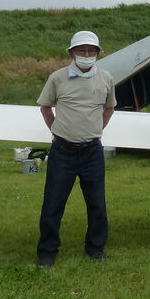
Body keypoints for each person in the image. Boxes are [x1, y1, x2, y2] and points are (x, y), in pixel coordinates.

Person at [36, 30, 116, 267]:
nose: (87, 55)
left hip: (92, 151)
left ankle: (95, 248)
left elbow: (109, 108)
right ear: (72, 53)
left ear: (98, 53)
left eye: (91, 51)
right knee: (53, 203)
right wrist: (58, 130)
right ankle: (47, 252)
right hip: (62, 151)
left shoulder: (106, 78)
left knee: (97, 204)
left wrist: (94, 129)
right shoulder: (57, 78)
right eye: (82, 50)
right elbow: (45, 107)